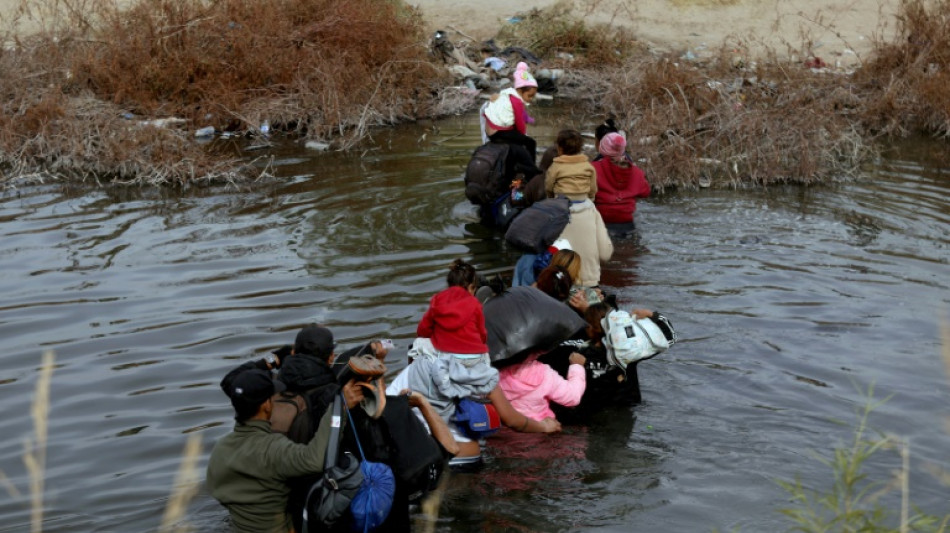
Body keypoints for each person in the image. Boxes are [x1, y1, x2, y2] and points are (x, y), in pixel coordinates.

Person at [206, 360, 364, 533]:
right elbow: (313, 460)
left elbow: (217, 490)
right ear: (266, 405)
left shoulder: (220, 449)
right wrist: (339, 408)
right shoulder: (274, 449)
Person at [498, 349, 587, 422]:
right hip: (541, 429)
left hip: (502, 430)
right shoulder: (544, 374)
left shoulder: (491, 374)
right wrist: (577, 366)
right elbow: (573, 396)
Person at [592, 132, 650, 237]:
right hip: (627, 222)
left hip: (602, 221)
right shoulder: (636, 172)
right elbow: (645, 192)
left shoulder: (593, 169)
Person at [482, 61, 539, 160]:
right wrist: (524, 136)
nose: (531, 99)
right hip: (498, 133)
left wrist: (530, 120)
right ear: (521, 91)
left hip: (490, 130)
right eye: (529, 96)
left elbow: (521, 113)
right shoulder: (517, 101)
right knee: (531, 143)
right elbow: (519, 122)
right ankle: (531, 169)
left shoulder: (509, 94)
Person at [556, 196, 613, 288]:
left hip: (556, 282)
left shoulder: (547, 210)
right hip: (587, 283)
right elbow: (605, 253)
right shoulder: (592, 212)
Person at [544, 129, 597, 201]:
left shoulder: (556, 166)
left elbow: (549, 186)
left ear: (560, 149)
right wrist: (590, 198)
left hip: (561, 201)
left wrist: (551, 197)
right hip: (583, 201)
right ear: (580, 149)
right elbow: (593, 188)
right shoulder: (588, 166)